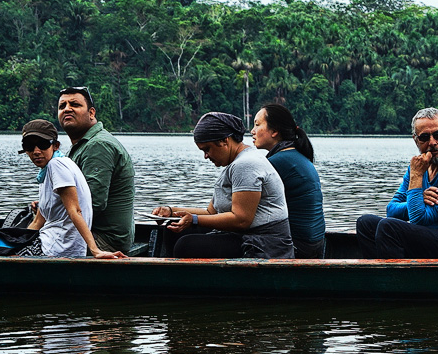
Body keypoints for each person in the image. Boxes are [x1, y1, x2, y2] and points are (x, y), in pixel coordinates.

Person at [153, 112, 294, 258]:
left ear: (224, 141)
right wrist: (171, 211)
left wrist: (193, 219)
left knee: (186, 246)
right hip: (242, 235)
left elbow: (241, 220)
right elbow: (211, 213)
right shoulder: (235, 163)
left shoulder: (246, 164)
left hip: (263, 244)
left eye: (207, 149)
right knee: (172, 229)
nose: (206, 156)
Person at [356, 108, 438, 259]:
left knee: (389, 228)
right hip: (435, 238)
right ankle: (378, 277)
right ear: (416, 140)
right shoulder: (418, 168)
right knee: (365, 223)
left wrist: (417, 184)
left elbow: (419, 219)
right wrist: (418, 197)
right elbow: (391, 210)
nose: (433, 143)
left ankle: (393, 281)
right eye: (425, 137)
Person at [18, 119, 124, 259]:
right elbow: (38, 222)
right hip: (52, 242)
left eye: (43, 145)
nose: (36, 152)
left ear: (55, 146)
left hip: (56, 247)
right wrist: (17, 242)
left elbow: (75, 210)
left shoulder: (57, 165)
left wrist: (95, 250)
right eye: (30, 146)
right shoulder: (47, 171)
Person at [56, 86, 136, 254]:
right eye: (62, 106)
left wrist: (52, 208)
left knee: (31, 246)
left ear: (91, 113)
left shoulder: (98, 145)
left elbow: (93, 203)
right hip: (90, 231)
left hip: (104, 239)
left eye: (75, 104)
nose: (67, 109)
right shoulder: (80, 146)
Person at [252, 103, 327, 258]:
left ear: (275, 131)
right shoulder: (295, 156)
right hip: (316, 244)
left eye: (257, 125)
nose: (252, 131)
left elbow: (246, 211)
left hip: (298, 246)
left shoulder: (278, 162)